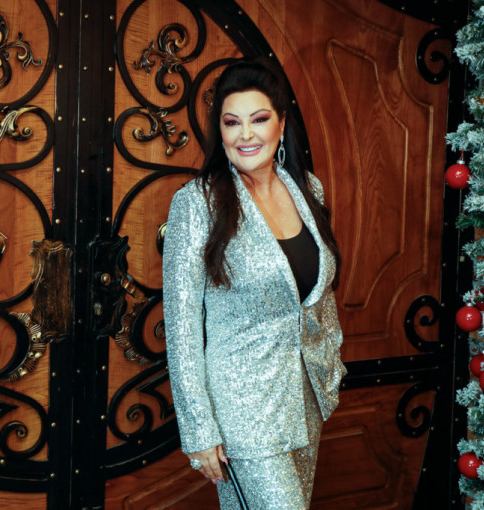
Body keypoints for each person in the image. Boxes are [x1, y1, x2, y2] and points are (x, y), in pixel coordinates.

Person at [162, 57, 345, 509]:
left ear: (280, 124)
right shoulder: (197, 203)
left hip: (305, 399)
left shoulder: (308, 189)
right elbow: (182, 329)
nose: (246, 134)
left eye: (259, 119)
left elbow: (319, 297)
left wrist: (331, 365)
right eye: (232, 123)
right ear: (220, 132)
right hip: (241, 412)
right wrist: (199, 430)